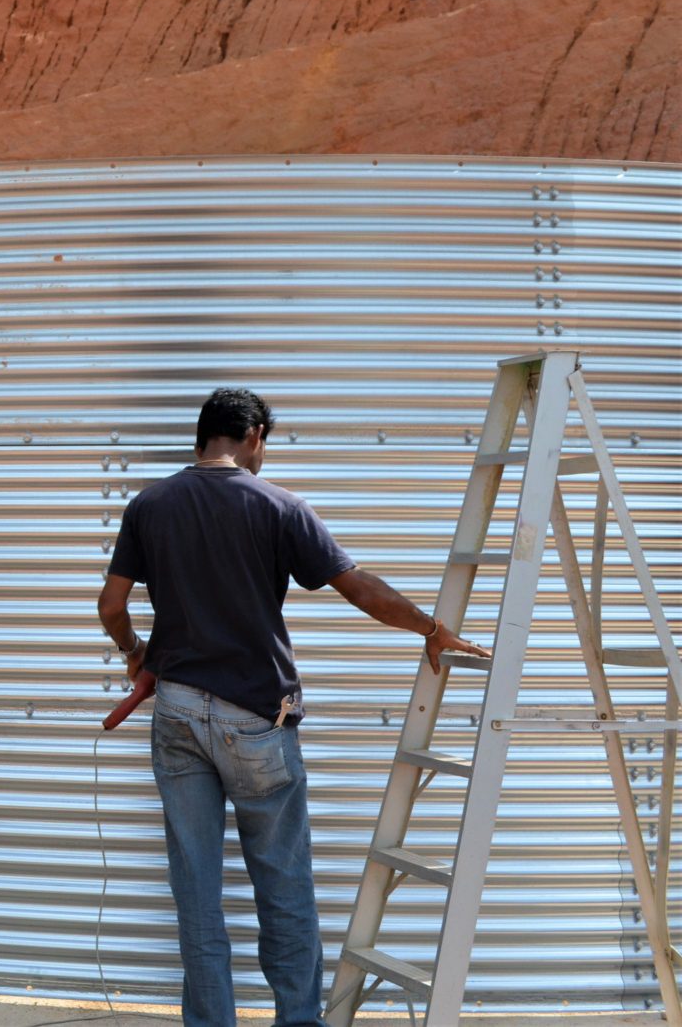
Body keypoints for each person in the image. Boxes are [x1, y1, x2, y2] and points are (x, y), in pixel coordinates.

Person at [96, 388, 488, 1027]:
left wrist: (136, 652)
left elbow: (111, 606)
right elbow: (357, 587)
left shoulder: (150, 504)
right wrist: (430, 629)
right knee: (284, 891)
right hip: (257, 720)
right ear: (253, 438)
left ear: (203, 438)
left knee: (196, 895)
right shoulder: (279, 506)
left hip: (176, 716)